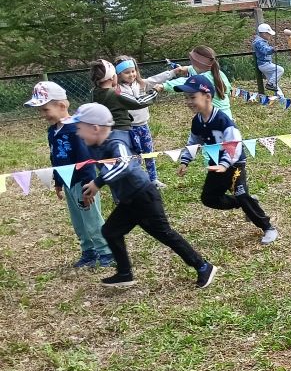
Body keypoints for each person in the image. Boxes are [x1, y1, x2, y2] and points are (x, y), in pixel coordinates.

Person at [67, 103, 217, 290]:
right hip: (129, 200)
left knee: (165, 234)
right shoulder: (97, 144)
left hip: (143, 196)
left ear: (95, 128)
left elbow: (124, 165)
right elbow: (108, 167)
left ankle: (203, 266)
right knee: (110, 231)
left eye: (80, 128)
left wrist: (98, 183)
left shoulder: (116, 142)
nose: (78, 133)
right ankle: (124, 274)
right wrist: (95, 181)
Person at [173, 76, 279, 245]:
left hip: (234, 164)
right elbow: (193, 142)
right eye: (186, 98)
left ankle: (268, 227)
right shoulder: (197, 121)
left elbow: (235, 145)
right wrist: (185, 161)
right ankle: (246, 204)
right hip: (216, 165)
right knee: (209, 198)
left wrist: (224, 165)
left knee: (241, 193)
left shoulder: (223, 120)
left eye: (192, 97)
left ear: (207, 96)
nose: (188, 102)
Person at [25, 81, 114, 269]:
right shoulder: (52, 131)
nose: (43, 115)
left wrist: (89, 183)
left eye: (45, 110)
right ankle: (88, 251)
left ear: (62, 105)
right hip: (67, 182)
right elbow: (55, 157)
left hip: (83, 183)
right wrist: (58, 181)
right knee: (79, 221)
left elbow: (86, 159)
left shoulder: (76, 129)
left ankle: (106, 251)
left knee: (92, 219)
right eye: (40, 111)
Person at [112, 56, 164, 186]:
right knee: (136, 156)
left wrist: (173, 73)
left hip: (144, 125)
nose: (131, 74)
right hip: (130, 128)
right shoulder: (118, 90)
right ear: (118, 74)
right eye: (127, 72)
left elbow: (156, 79)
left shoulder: (140, 84)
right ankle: (139, 180)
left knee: (149, 153)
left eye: (133, 71)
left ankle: (153, 179)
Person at [147, 46, 235, 120]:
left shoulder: (203, 78)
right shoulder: (219, 74)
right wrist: (186, 69)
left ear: (196, 63)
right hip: (226, 117)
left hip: (214, 121)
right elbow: (196, 70)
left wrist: (164, 86)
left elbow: (185, 82)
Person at [89, 59, 160, 145]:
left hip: (105, 132)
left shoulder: (94, 92)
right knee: (129, 156)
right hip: (121, 132)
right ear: (111, 77)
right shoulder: (115, 94)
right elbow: (138, 102)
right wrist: (155, 91)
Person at [253, 23, 285, 98]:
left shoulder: (261, 41)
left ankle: (280, 96)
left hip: (265, 64)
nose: (270, 36)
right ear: (264, 34)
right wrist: (273, 49)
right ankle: (269, 84)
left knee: (274, 81)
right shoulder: (259, 42)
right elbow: (265, 50)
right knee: (280, 70)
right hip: (264, 64)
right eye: (269, 34)